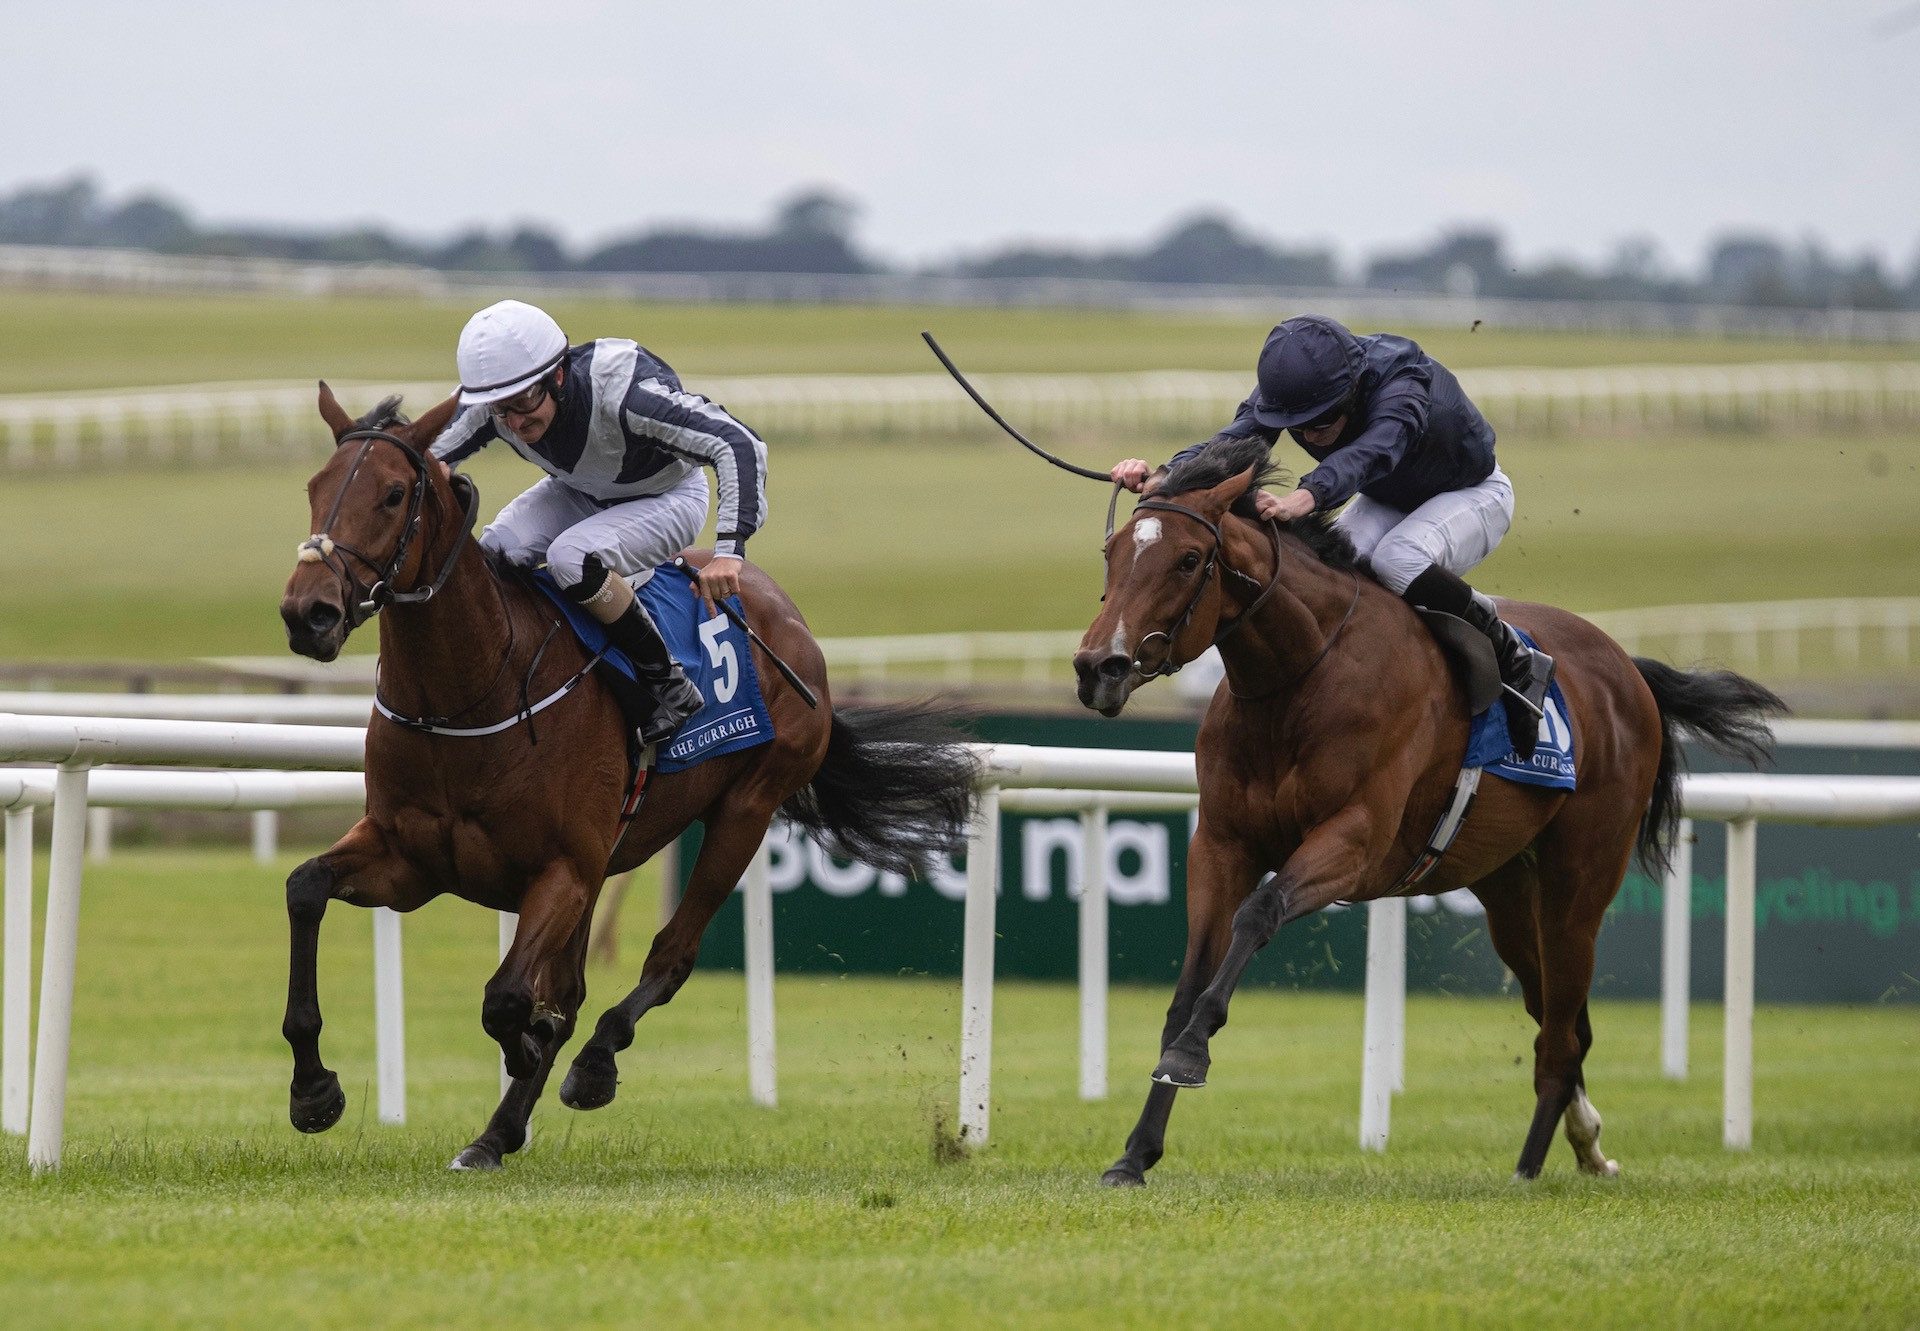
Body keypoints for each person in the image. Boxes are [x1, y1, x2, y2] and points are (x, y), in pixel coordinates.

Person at [1111, 314, 1554, 757]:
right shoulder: (1296, 389)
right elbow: (1230, 445)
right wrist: (1165, 474)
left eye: (1318, 425)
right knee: (1332, 577)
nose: (1305, 434)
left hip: (1473, 493)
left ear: (1351, 391)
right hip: (1391, 498)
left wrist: (1306, 496)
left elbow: (1372, 452)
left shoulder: (1404, 383)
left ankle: (1511, 652)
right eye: (1296, 425)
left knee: (1397, 559)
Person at [431, 299, 769, 744]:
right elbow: (425, 456)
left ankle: (668, 685)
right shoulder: (500, 401)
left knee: (569, 557)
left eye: (523, 403)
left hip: (668, 495)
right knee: (494, 553)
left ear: (556, 375)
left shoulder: (627, 395)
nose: (514, 421)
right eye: (500, 410)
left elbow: (738, 442)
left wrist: (729, 550)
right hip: (583, 490)